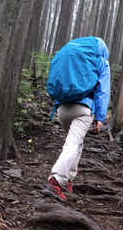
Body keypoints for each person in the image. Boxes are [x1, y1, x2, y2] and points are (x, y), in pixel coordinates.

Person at [43, 37, 111, 201]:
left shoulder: (69, 56)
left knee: (76, 143)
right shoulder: (101, 62)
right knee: (73, 143)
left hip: (62, 109)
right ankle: (56, 180)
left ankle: (68, 181)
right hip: (83, 109)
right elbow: (102, 92)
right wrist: (100, 117)